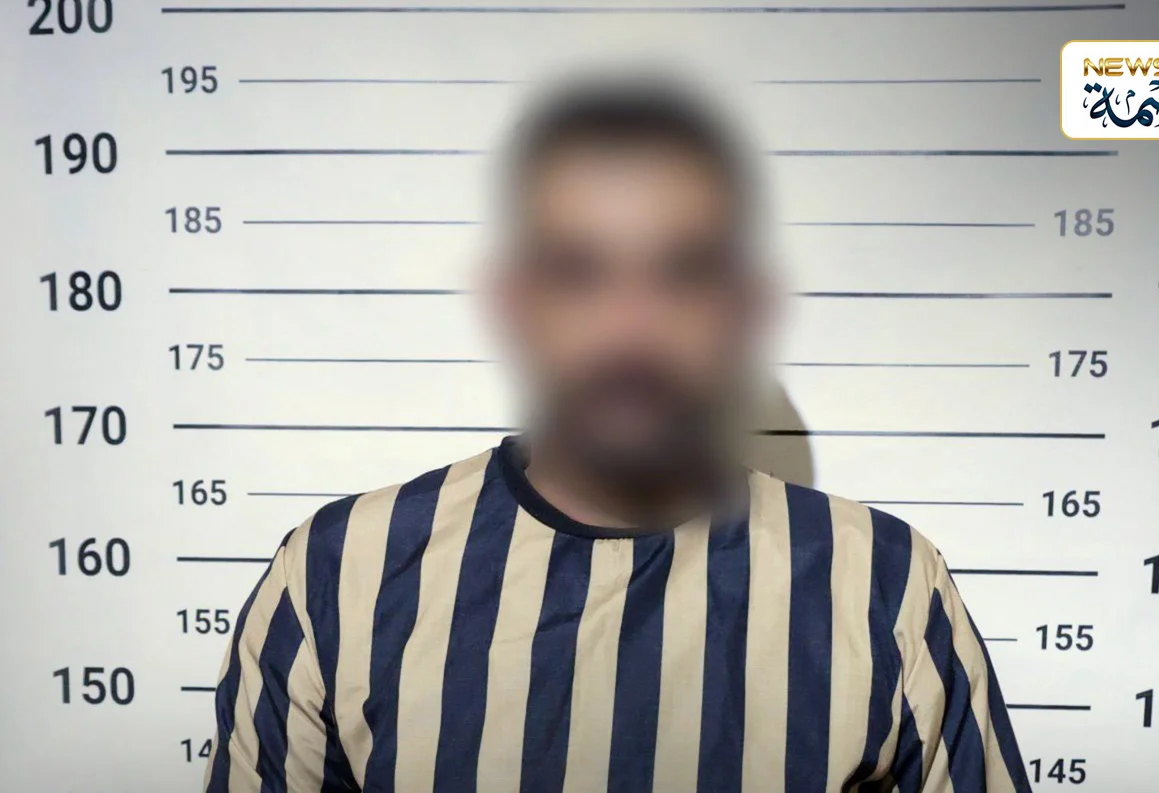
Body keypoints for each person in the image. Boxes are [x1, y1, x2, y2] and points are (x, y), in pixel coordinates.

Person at [205, 74, 1031, 793]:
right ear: (518, 302)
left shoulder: (883, 581)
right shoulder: (338, 573)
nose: (631, 330)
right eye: (580, 272)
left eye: (682, 273)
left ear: (739, 306)